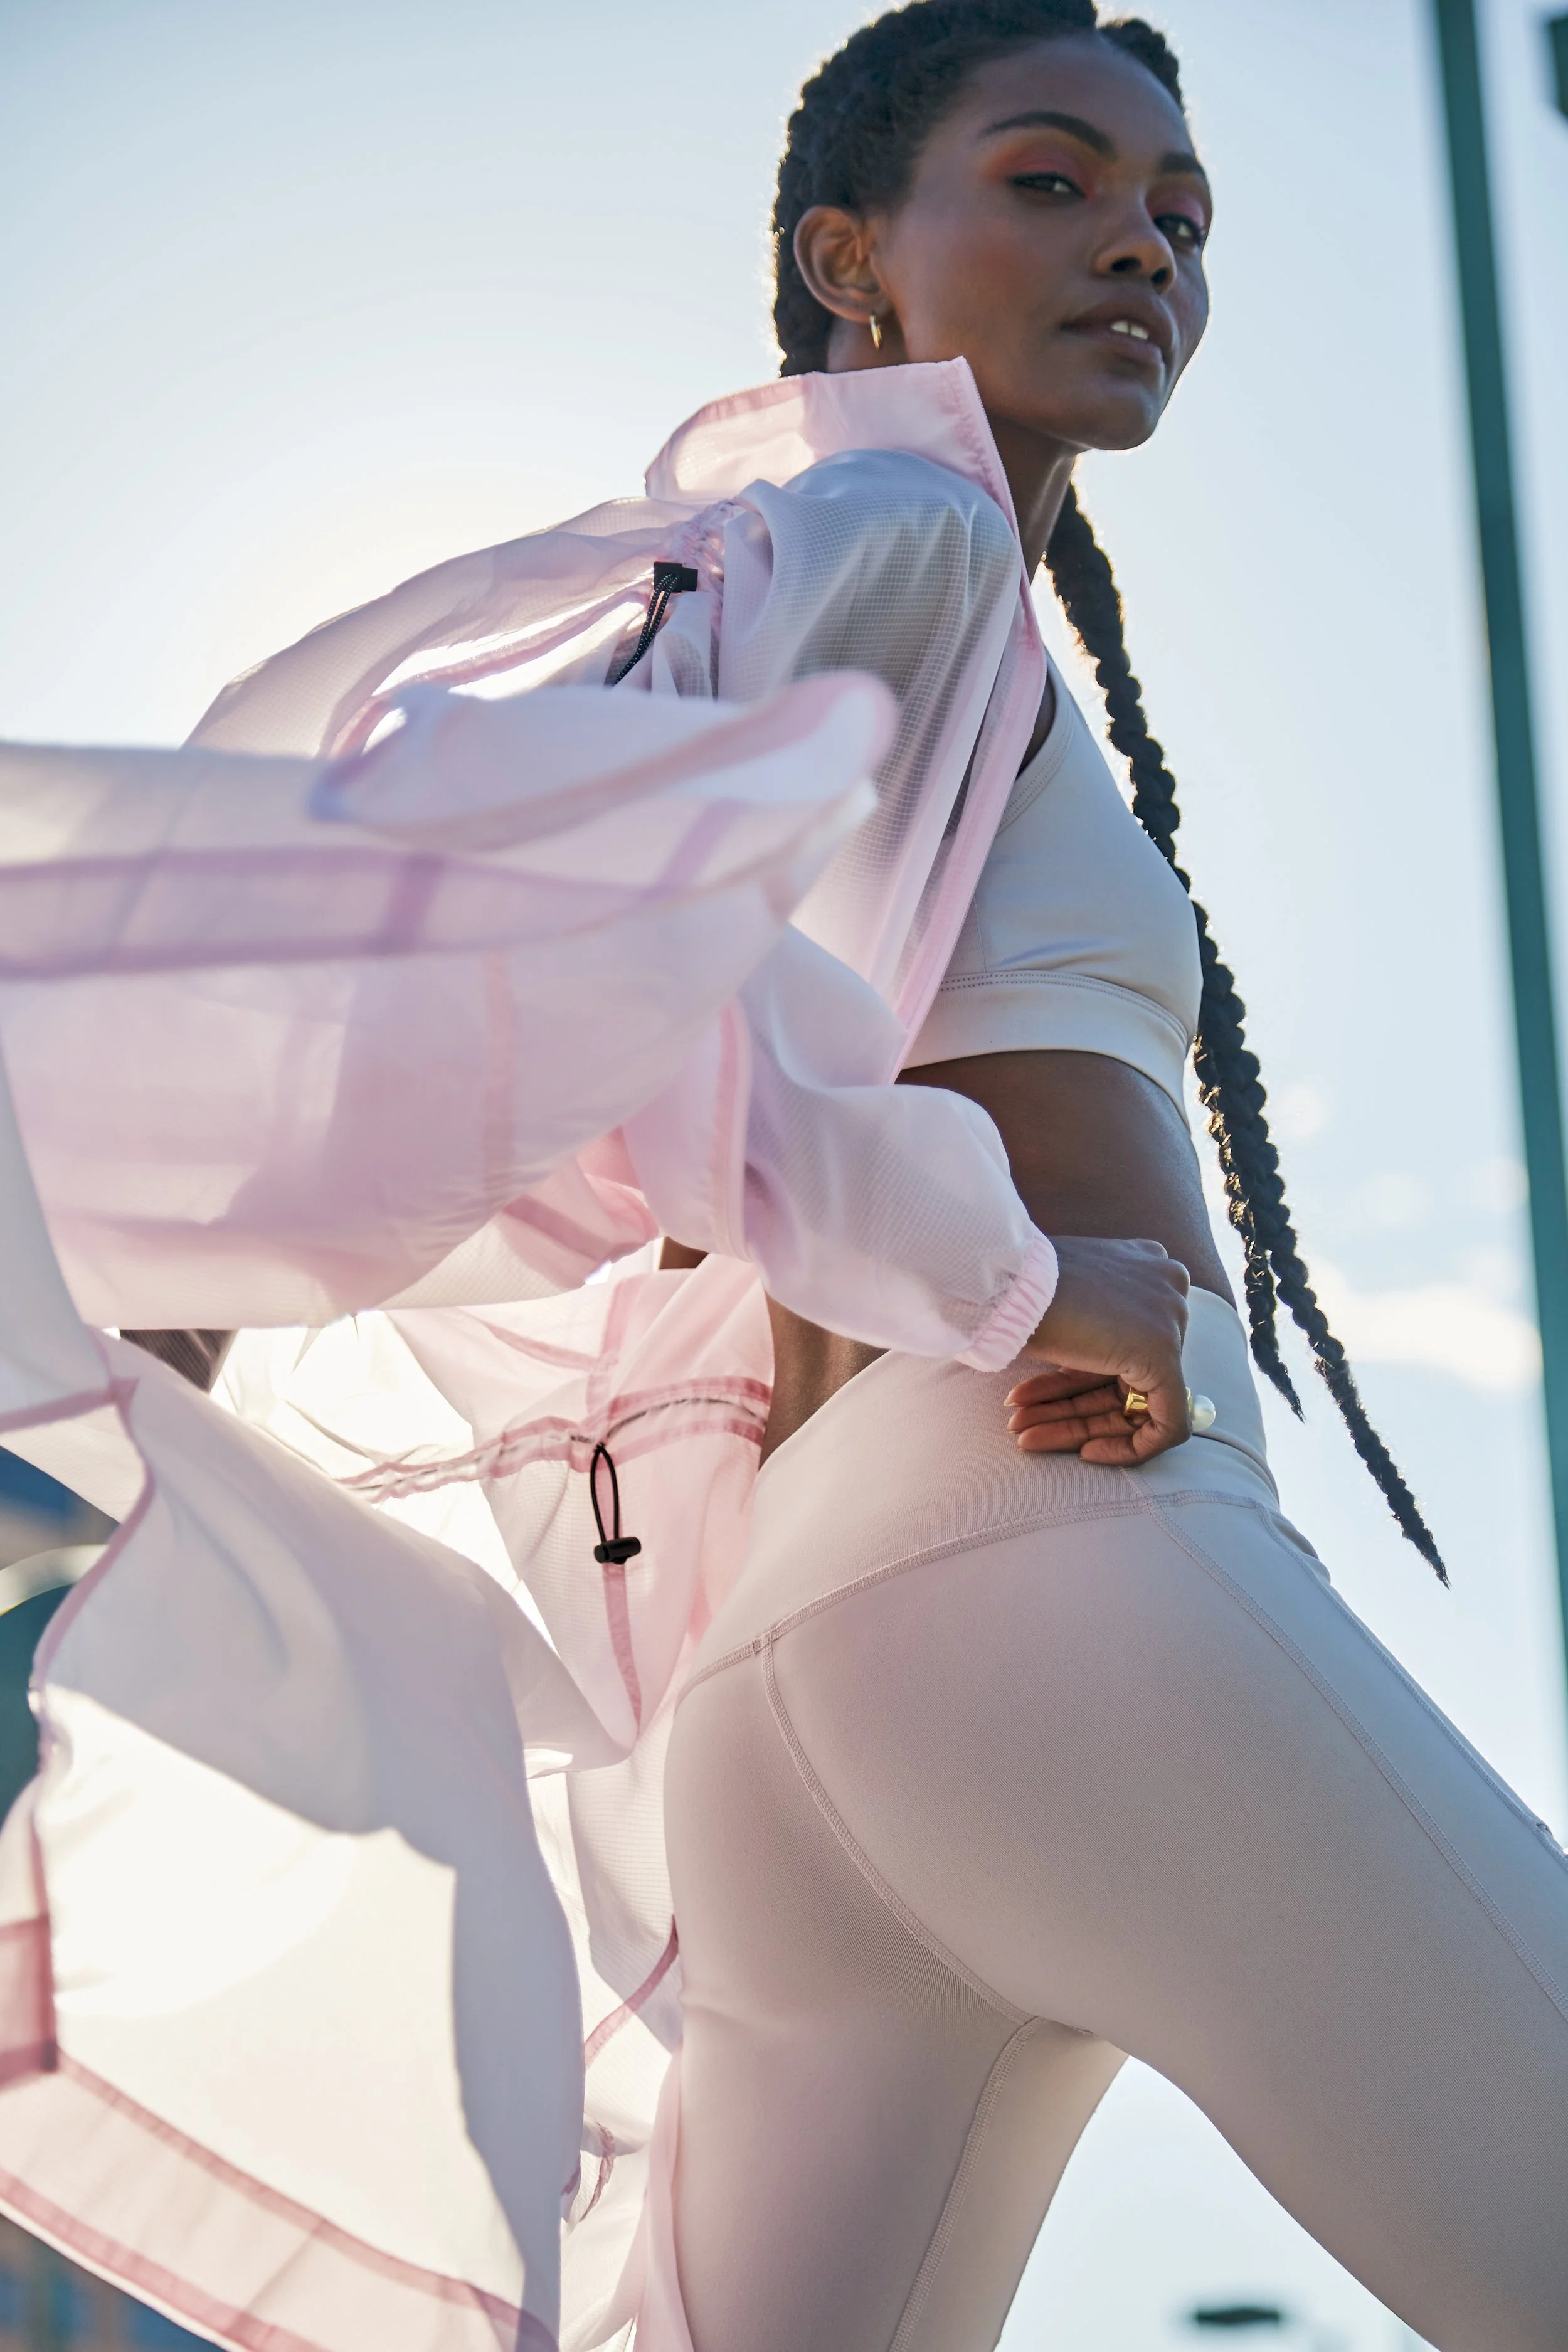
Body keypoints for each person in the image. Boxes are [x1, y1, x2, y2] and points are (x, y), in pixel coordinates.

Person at [0, 7, 1564, 2352]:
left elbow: (586, 960)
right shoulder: (896, 525)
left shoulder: (896, 583)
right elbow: (586, 931)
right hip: (1051, 1563)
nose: (1138, 238)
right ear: (852, 256)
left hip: (802, 1703)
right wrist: (1018, 1264)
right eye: (1049, 179)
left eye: (1179, 213)